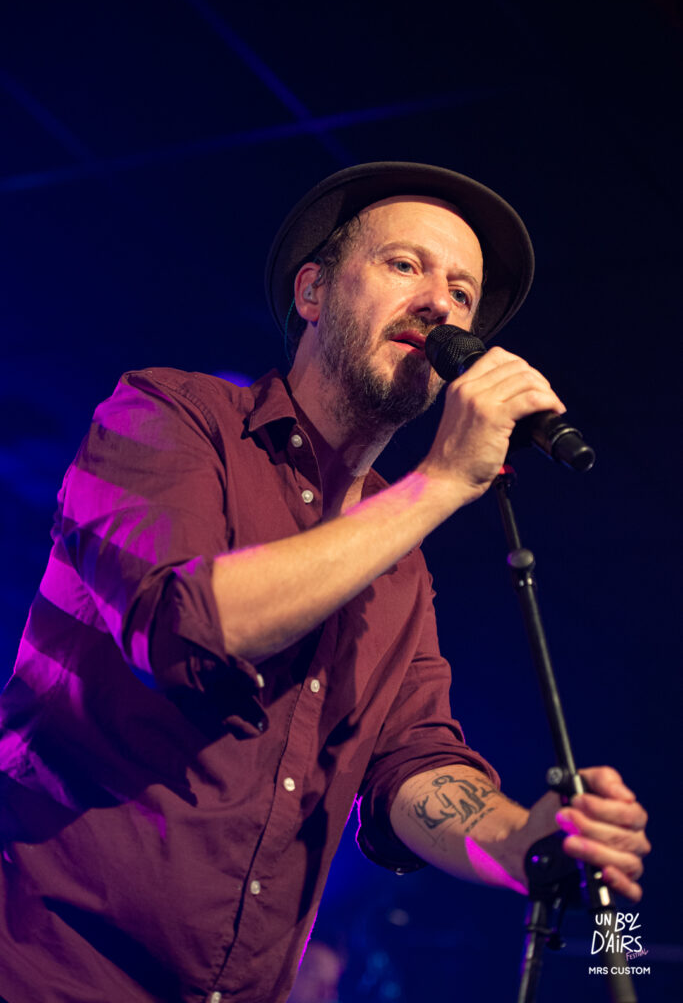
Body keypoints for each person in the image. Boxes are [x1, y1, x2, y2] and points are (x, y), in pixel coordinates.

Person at [0, 162, 649, 1003]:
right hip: (45, 970)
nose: (439, 304)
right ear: (312, 292)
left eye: (462, 292)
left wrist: (520, 841)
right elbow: (182, 624)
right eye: (404, 264)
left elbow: (411, 766)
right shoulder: (170, 415)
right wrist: (441, 482)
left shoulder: (398, 564)